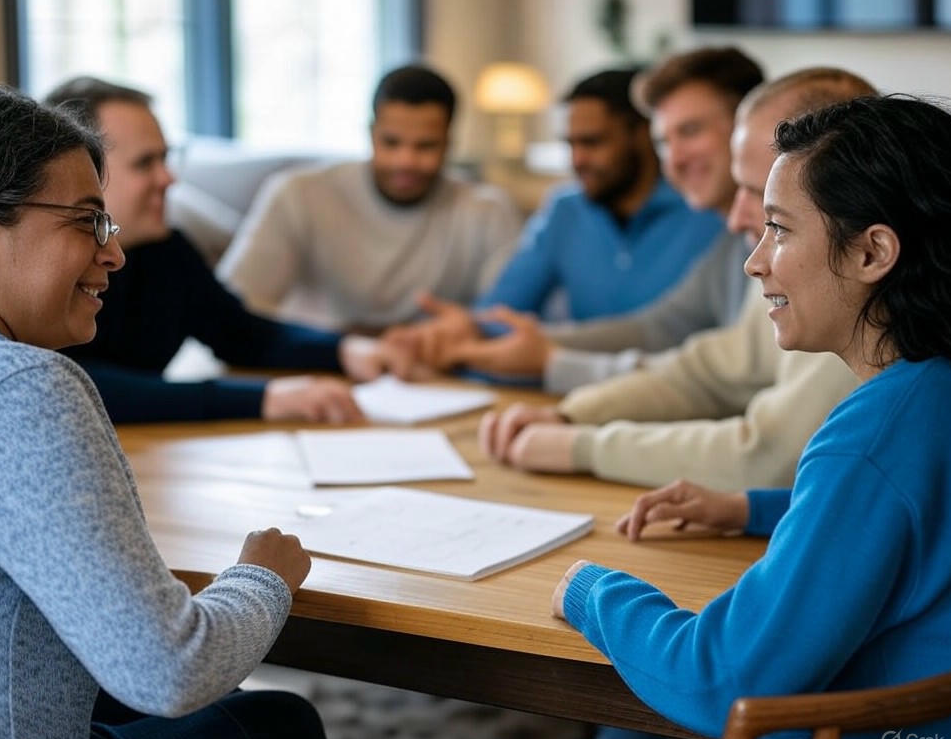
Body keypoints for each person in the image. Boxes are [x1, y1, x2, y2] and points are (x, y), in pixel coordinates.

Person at [553, 94, 951, 739]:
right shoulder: (937, 387)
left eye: (780, 228)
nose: (755, 260)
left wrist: (591, 589)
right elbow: (915, 523)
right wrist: (752, 508)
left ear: (872, 252)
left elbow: (723, 678)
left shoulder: (874, 433)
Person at [0, 84, 327, 739]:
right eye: (87, 221)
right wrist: (262, 576)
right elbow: (171, 669)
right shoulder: (16, 388)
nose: (112, 252)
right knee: (275, 725)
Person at [479, 68, 873, 492]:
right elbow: (704, 371)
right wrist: (573, 415)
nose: (740, 217)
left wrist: (584, 446)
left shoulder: (843, 281)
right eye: (665, 140)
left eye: (759, 194)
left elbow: (770, 457)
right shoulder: (780, 262)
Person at [392, 48, 764, 393]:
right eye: (666, 139)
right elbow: (659, 327)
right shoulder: (566, 210)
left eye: (691, 131)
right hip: (606, 397)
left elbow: (722, 377)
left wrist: (552, 362)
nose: (577, 160)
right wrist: (473, 332)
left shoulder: (715, 217)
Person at [46, 76, 398, 424]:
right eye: (145, 163)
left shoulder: (166, 252)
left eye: (167, 159)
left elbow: (243, 334)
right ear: (80, 174)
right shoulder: (43, 270)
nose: (169, 179)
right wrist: (265, 399)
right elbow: (73, 387)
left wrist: (345, 349)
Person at [216, 64, 524, 331]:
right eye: (391, 142)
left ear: (449, 144)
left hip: (435, 375)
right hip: (315, 364)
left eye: (425, 146)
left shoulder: (487, 210)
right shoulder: (297, 194)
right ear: (370, 133)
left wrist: (461, 330)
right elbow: (232, 309)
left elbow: (507, 323)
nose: (405, 161)